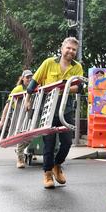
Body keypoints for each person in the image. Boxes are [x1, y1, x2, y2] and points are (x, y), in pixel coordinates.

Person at [25, 37, 84, 189]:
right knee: (49, 143)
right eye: (68, 48)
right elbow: (34, 82)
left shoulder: (77, 67)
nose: (71, 51)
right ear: (62, 48)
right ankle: (47, 173)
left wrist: (61, 88)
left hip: (66, 109)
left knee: (67, 142)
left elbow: (79, 88)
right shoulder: (49, 63)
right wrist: (28, 99)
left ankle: (57, 165)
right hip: (48, 108)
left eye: (74, 49)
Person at [0, 69, 34, 168]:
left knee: (30, 137)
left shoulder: (34, 88)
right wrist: (2, 119)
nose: (29, 79)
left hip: (29, 116)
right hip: (18, 116)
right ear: (22, 78)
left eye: (31, 77)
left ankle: (19, 150)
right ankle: (20, 158)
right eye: (27, 77)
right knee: (19, 136)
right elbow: (7, 105)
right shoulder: (18, 89)